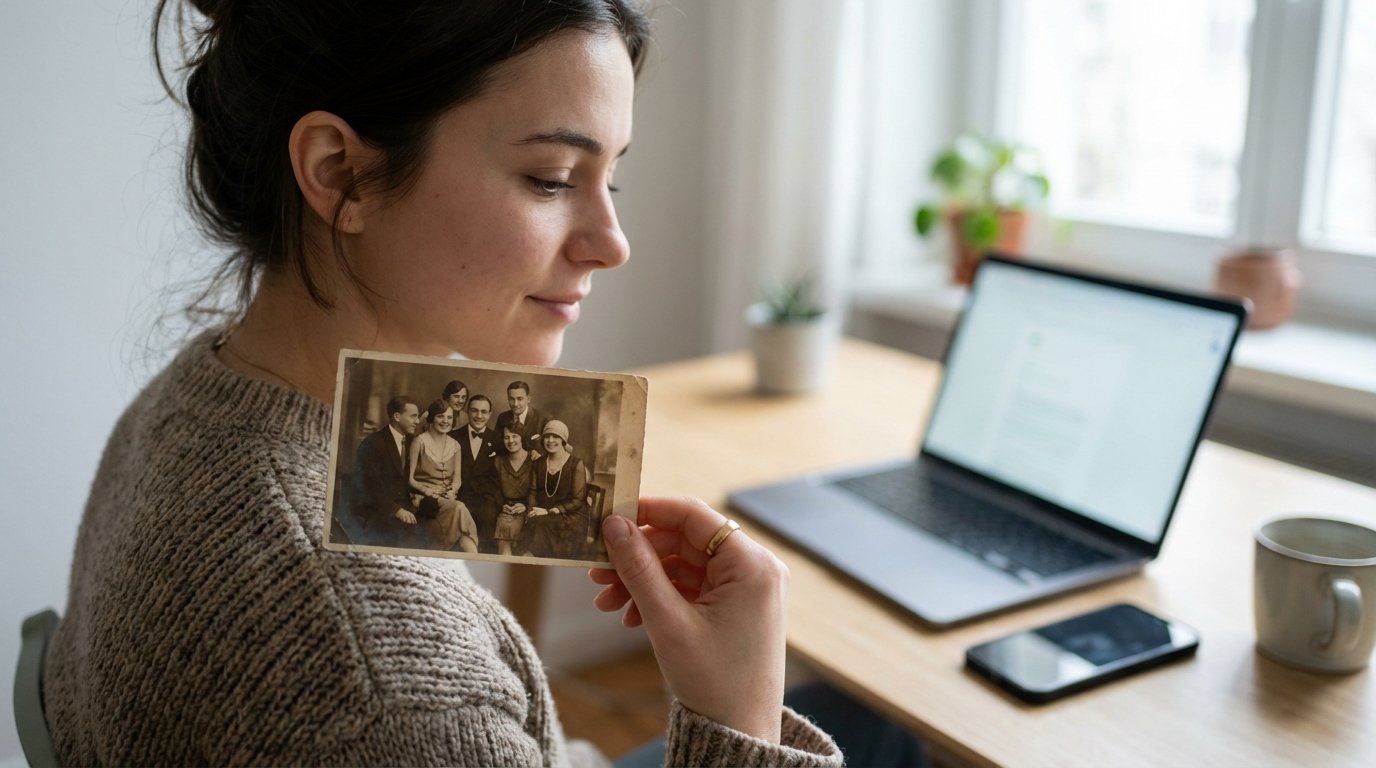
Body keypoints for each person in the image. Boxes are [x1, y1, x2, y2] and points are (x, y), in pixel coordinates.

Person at [39, 0, 908, 764]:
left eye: (613, 177)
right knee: (892, 734)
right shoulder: (390, 692)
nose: (613, 242)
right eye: (553, 179)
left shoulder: (203, 393)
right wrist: (740, 724)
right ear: (339, 172)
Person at [407, 399, 480, 553]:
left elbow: (457, 479)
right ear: (432, 418)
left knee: (460, 518)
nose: (445, 421)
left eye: (449, 417)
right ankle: (475, 556)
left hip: (447, 499)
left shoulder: (455, 445)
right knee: (460, 508)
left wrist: (453, 491)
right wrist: (426, 491)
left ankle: (473, 556)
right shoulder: (419, 443)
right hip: (424, 500)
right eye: (440, 416)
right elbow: (409, 479)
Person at [349, 395, 423, 545]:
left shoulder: (412, 442)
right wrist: (396, 510)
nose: (418, 421)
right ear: (397, 416)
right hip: (378, 509)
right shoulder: (373, 444)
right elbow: (368, 487)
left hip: (407, 506)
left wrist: (417, 495)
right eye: (413, 416)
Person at [525, 420, 590, 559]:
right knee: (534, 522)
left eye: (556, 436)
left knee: (543, 524)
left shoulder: (576, 464)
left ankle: (543, 561)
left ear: (563, 441)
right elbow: (532, 491)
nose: (550, 440)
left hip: (571, 514)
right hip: (545, 511)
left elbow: (578, 500)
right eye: (547, 436)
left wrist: (552, 510)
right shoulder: (539, 463)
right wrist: (532, 510)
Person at [457, 393, 503, 551]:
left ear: (490, 414)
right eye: (474, 411)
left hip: (486, 498)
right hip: (461, 496)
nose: (479, 416)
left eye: (484, 412)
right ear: (467, 412)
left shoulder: (499, 439)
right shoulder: (453, 437)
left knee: (488, 517)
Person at [494, 423, 534, 556]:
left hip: (529, 510)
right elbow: (495, 489)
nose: (510, 441)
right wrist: (502, 505)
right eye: (506, 437)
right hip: (507, 510)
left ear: (522, 437)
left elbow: (539, 490)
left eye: (515, 436)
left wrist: (526, 506)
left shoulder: (534, 459)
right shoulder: (498, 461)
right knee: (505, 525)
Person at [495, 379, 550, 453]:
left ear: (528, 399)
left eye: (520, 399)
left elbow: (552, 448)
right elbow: (498, 446)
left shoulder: (544, 419)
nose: (515, 404)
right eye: (512, 399)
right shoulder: (503, 418)